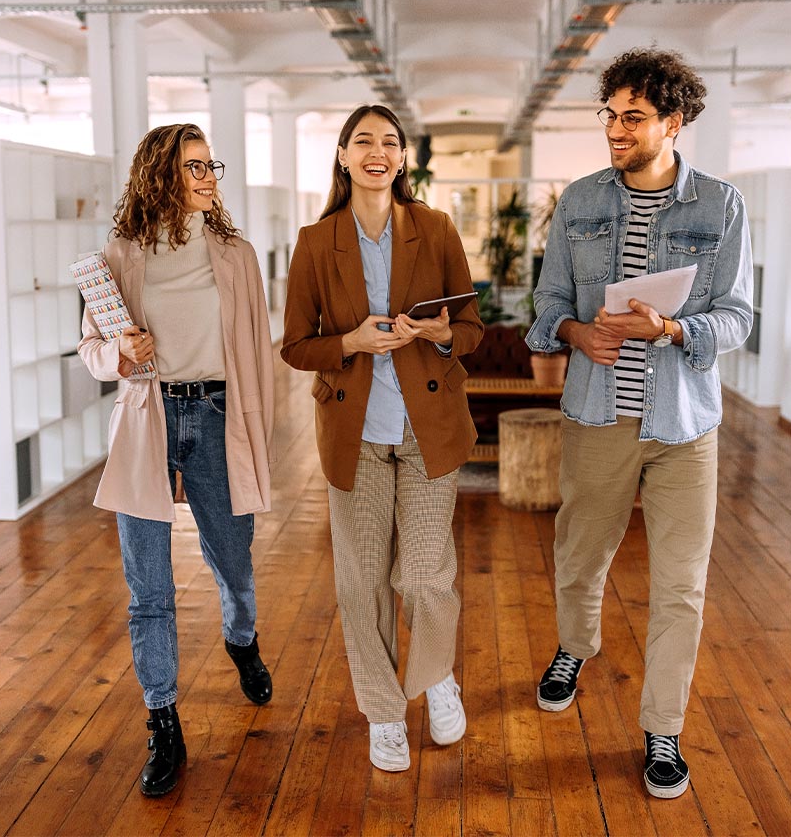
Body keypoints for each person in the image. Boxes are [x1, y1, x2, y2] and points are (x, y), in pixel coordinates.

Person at [526, 48, 753, 799]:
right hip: (597, 415)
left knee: (681, 586)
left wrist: (671, 330)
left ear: (673, 122)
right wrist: (573, 335)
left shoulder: (720, 206)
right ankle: (575, 647)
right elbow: (547, 305)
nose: (616, 131)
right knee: (580, 556)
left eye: (634, 118)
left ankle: (663, 730)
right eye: (610, 116)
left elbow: (737, 318)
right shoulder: (581, 202)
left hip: (685, 427)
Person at [281, 104, 483, 772]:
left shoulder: (437, 228)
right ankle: (384, 713)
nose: (377, 151)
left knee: (425, 575)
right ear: (342, 156)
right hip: (356, 435)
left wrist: (436, 332)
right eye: (363, 140)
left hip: (428, 431)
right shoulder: (316, 241)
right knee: (361, 583)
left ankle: (436, 679)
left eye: (390, 142)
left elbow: (472, 327)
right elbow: (296, 347)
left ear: (403, 158)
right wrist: (350, 342)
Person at [78, 123, 276, 797]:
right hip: (148, 418)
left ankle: (241, 638)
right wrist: (119, 354)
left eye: (210, 165)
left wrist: (262, 430)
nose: (209, 177)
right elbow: (92, 348)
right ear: (160, 174)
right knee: (149, 592)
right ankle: (163, 721)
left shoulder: (236, 254)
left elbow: (255, 347)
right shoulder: (119, 256)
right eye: (195, 167)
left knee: (234, 563)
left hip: (220, 418)